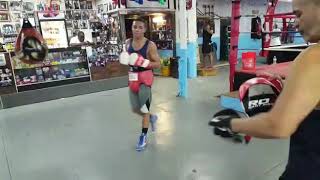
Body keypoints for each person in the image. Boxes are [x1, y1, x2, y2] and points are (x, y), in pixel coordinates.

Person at [209, 0, 320, 179]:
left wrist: (231, 124)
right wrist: (291, 89)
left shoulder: (314, 57)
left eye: (299, 14)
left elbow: (277, 125)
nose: (295, 22)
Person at [120, 18, 161, 151]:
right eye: (134, 27)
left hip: (145, 79)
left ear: (144, 29)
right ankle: (152, 117)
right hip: (133, 79)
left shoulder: (150, 45)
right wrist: (125, 61)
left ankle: (143, 136)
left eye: (140, 27)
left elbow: (158, 63)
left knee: (144, 109)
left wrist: (144, 62)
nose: (136, 29)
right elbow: (126, 60)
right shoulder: (127, 43)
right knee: (135, 109)